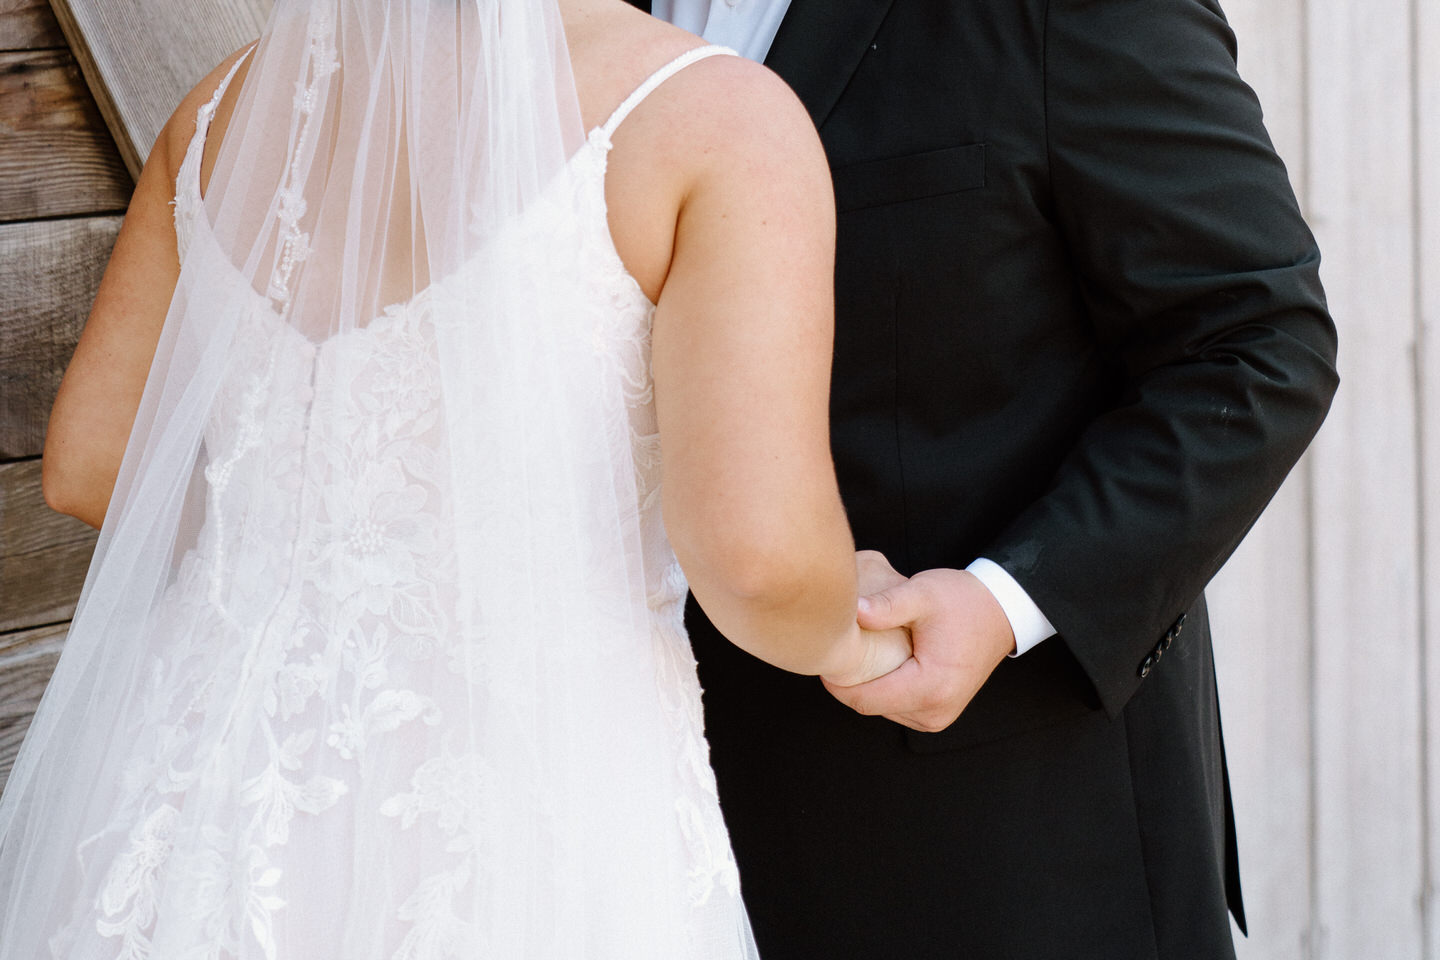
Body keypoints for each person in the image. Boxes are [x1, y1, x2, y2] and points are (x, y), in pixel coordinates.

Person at [0, 0, 911, 956]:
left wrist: (311, 554)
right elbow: (757, 562)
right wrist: (851, 638)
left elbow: (92, 462)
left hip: (195, 816)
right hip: (506, 834)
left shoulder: (224, 108)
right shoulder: (712, 120)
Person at [640, 1, 1339, 958]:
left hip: (995, 841)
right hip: (629, 834)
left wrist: (1008, 600)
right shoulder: (537, 29)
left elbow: (1257, 343)